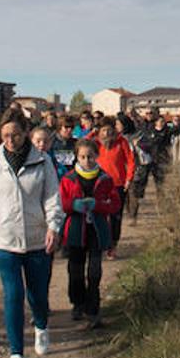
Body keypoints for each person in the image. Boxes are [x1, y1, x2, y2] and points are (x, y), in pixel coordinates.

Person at [0, 114, 63, 358]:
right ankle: (16, 353)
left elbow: (52, 197)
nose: (10, 140)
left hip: (38, 239)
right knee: (13, 295)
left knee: (37, 293)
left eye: (15, 134)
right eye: (5, 136)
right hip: (5, 240)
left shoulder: (42, 160)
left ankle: (41, 326)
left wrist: (53, 226)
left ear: (25, 133)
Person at [58, 138, 121, 329]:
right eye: (83, 157)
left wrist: (99, 205)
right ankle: (78, 303)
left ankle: (93, 309)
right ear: (77, 157)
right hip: (75, 231)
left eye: (90, 156)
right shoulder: (68, 179)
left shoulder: (105, 178)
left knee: (94, 272)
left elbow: (115, 204)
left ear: (97, 156)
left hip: (97, 231)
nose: (87, 161)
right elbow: (60, 203)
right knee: (75, 271)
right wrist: (73, 205)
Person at [95, 117, 135, 259]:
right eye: (103, 130)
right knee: (99, 217)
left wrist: (129, 179)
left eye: (109, 130)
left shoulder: (122, 142)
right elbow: (82, 144)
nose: (106, 133)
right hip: (98, 185)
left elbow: (130, 161)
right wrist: (93, 133)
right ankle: (100, 244)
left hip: (117, 185)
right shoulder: (95, 143)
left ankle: (113, 245)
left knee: (115, 217)